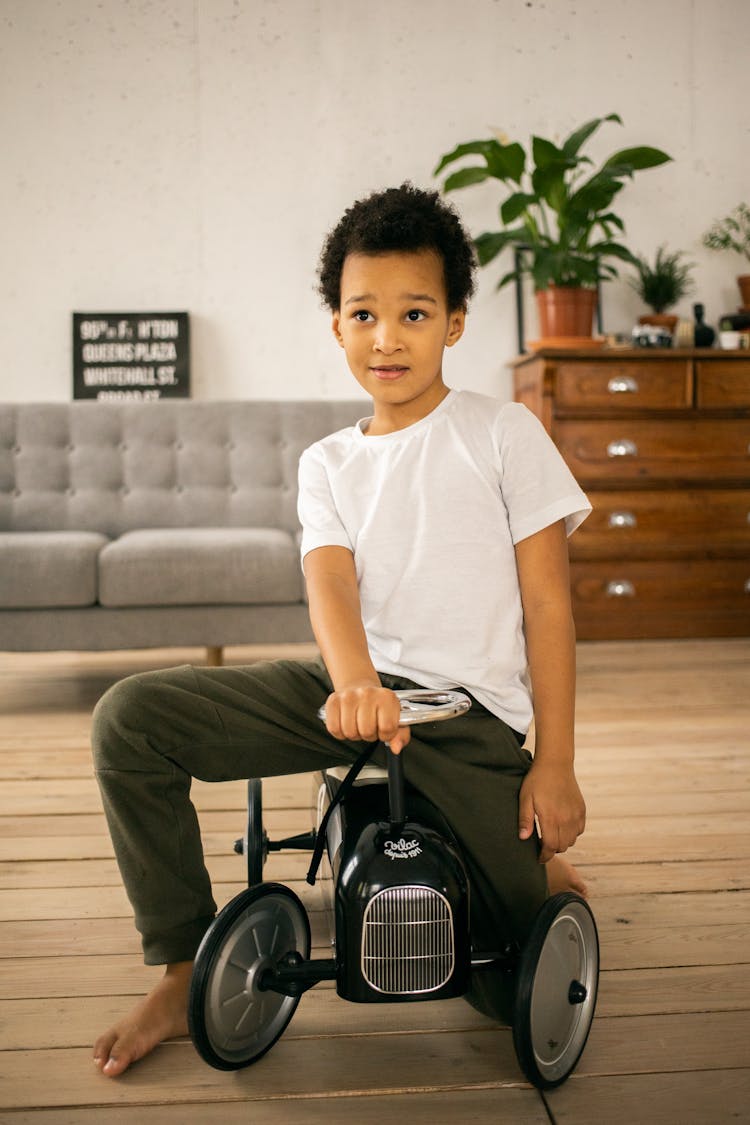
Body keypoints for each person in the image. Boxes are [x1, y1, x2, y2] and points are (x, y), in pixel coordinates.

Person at [91, 182, 590, 1078]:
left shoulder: (504, 431)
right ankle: (179, 962)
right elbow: (329, 579)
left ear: (455, 323)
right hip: (349, 694)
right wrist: (355, 680)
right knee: (131, 717)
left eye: (414, 312)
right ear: (337, 326)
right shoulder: (328, 460)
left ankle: (531, 869)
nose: (387, 337)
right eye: (364, 313)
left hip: (466, 721)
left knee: (498, 978)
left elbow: (549, 603)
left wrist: (553, 760)